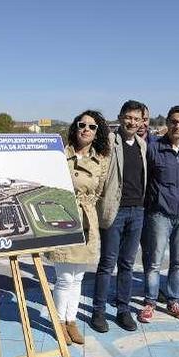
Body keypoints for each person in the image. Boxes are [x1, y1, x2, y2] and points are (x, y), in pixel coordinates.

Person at [46, 110, 111, 343]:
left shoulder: (102, 159)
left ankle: (71, 321)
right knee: (63, 277)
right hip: (64, 216)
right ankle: (59, 322)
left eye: (92, 127)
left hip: (87, 220)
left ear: (97, 132)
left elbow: (99, 190)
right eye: (82, 124)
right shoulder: (60, 154)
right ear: (75, 128)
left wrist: (88, 209)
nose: (86, 129)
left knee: (78, 278)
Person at [92, 100, 148, 333]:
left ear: (142, 121)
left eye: (136, 118)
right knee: (107, 264)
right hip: (115, 211)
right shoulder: (109, 143)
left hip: (138, 211)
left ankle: (123, 310)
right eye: (128, 117)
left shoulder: (142, 145)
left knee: (127, 264)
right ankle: (98, 312)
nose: (132, 122)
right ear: (121, 117)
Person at [140, 105, 179, 322]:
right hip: (159, 215)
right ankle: (150, 302)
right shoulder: (153, 148)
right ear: (167, 122)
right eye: (174, 121)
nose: (177, 126)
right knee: (154, 262)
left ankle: (174, 301)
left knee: (178, 262)